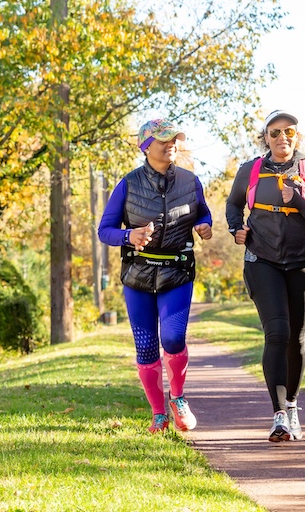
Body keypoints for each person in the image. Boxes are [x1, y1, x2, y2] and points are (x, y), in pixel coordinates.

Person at [225, 110, 305, 442]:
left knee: (297, 338)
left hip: (303, 263)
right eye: (274, 133)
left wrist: (300, 201)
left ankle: (292, 406)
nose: (282, 138)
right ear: (266, 137)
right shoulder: (250, 170)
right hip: (263, 261)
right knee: (276, 333)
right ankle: (278, 416)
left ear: (297, 136)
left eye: (288, 132)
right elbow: (233, 205)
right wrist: (236, 228)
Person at [98, 119, 213, 433]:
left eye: (174, 139)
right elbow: (104, 231)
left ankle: (177, 397)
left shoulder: (190, 181)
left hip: (177, 270)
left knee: (173, 339)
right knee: (146, 347)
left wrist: (205, 225)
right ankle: (159, 414)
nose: (171, 144)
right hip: (138, 274)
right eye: (163, 140)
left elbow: (202, 211)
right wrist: (129, 236)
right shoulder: (129, 184)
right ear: (146, 146)